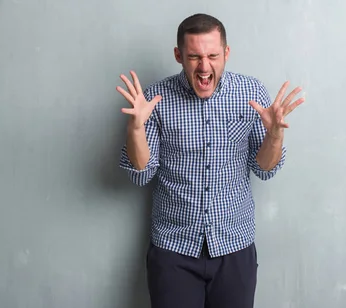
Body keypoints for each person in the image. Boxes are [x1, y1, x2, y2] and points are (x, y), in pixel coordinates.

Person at [116, 13, 304, 308]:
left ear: (226, 53)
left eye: (213, 55)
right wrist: (136, 127)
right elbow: (141, 174)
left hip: (234, 247)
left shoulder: (251, 93)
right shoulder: (154, 99)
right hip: (173, 250)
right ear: (178, 55)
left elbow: (264, 169)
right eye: (194, 57)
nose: (204, 67)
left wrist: (276, 134)